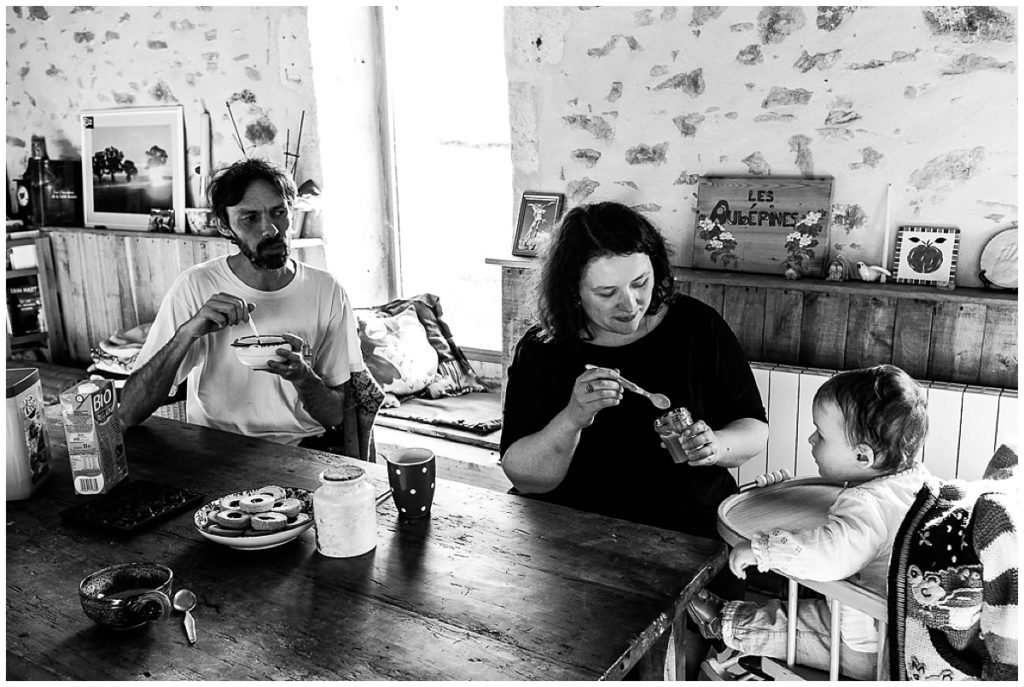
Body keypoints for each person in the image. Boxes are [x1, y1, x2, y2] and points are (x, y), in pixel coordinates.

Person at [500, 200, 768, 548]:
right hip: (575, 538)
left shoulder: (697, 327)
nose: (630, 305)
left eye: (640, 282)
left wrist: (716, 446)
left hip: (690, 535)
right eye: (607, 293)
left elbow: (754, 428)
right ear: (573, 291)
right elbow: (525, 479)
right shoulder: (544, 349)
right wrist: (571, 419)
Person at [687, 364, 932, 680]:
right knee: (800, 614)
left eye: (822, 434)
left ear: (862, 457)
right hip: (897, 624)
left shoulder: (866, 504)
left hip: (867, 646)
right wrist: (779, 493)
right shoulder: (913, 482)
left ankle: (725, 623)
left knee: (790, 627)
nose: (811, 439)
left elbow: (828, 554)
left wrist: (763, 550)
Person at [119, 158, 364, 446]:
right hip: (216, 447)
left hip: (303, 450)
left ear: (292, 214)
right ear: (225, 226)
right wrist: (188, 333)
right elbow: (130, 411)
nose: (270, 229)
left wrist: (303, 377)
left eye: (278, 213)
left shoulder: (326, 289)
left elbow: (336, 415)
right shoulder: (196, 286)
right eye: (250, 218)